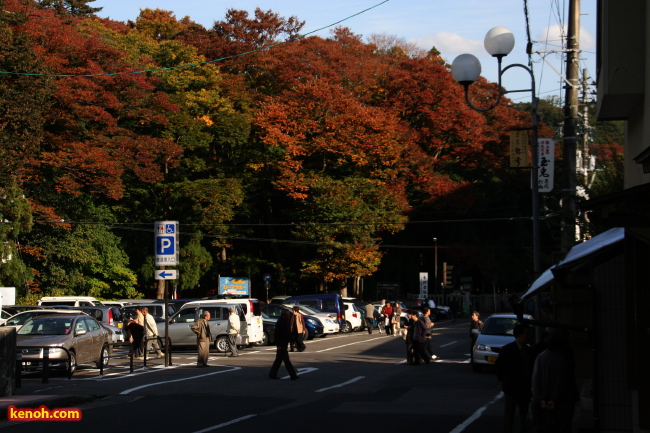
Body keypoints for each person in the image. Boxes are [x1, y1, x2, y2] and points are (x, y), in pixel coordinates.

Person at [531, 329, 578, 433]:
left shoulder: (541, 357)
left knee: (548, 426)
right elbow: (561, 381)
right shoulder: (562, 359)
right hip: (562, 400)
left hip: (545, 399)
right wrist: (554, 398)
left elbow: (536, 379)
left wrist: (540, 398)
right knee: (564, 426)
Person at [495, 324, 533, 433]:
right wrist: (505, 381)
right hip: (511, 388)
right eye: (526, 334)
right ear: (519, 335)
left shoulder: (529, 350)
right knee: (509, 415)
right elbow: (499, 367)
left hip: (525, 388)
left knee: (524, 415)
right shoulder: (507, 350)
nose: (529, 337)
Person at [269, 310, 299, 380]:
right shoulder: (280, 323)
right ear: (284, 315)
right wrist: (278, 345)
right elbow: (277, 335)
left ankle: (272, 374)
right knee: (286, 360)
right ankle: (293, 375)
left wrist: (292, 340)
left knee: (278, 360)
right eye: (287, 315)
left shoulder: (286, 322)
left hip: (285, 343)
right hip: (281, 343)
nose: (288, 316)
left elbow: (288, 333)